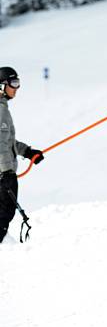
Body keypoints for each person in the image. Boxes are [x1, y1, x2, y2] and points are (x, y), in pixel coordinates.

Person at [0, 67, 44, 243]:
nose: (17, 88)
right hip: (4, 173)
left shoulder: (3, 109)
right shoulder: (1, 111)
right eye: (13, 83)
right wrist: (5, 173)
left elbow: (8, 141)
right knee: (4, 213)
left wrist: (27, 151)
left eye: (18, 83)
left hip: (4, 172)